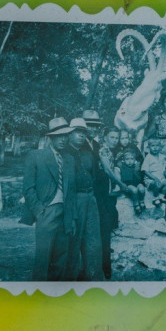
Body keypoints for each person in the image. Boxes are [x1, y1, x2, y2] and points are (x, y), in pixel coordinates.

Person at [19, 117, 75, 281]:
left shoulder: (69, 159)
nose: (63, 139)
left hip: (65, 213)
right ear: (51, 137)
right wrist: (39, 211)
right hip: (46, 211)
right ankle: (39, 291)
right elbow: (28, 188)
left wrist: (72, 217)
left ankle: (55, 292)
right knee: (43, 258)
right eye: (58, 136)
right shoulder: (36, 156)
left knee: (61, 258)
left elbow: (71, 191)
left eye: (65, 135)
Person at [63, 118, 103, 281]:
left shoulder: (88, 153)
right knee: (74, 239)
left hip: (90, 197)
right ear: (69, 134)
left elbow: (93, 176)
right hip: (75, 199)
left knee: (93, 237)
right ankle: (70, 279)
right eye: (77, 132)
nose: (81, 135)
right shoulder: (64, 153)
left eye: (83, 132)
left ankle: (92, 276)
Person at [96, 127, 122, 279]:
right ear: (105, 137)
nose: (114, 140)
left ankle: (105, 264)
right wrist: (122, 185)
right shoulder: (103, 150)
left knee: (107, 228)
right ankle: (105, 266)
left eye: (116, 138)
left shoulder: (112, 152)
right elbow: (108, 171)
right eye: (112, 137)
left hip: (109, 194)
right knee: (104, 229)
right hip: (102, 193)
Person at [118, 149, 146, 214]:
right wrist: (120, 160)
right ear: (123, 160)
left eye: (132, 159)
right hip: (128, 183)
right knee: (134, 190)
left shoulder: (136, 165)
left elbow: (141, 161)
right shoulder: (122, 165)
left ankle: (141, 200)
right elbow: (116, 161)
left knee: (142, 189)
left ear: (135, 160)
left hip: (137, 182)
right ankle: (135, 203)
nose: (130, 161)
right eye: (127, 159)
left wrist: (138, 163)